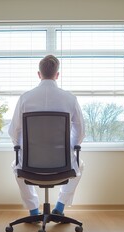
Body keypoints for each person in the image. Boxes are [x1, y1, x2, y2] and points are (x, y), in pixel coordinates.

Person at [8, 55, 85, 217]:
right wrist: (69, 148)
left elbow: (14, 131)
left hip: (30, 167)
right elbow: (80, 131)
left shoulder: (25, 98)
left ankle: (34, 210)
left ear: (39, 74)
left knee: (15, 165)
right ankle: (60, 207)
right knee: (80, 164)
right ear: (57, 74)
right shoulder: (70, 99)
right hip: (62, 167)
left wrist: (22, 148)